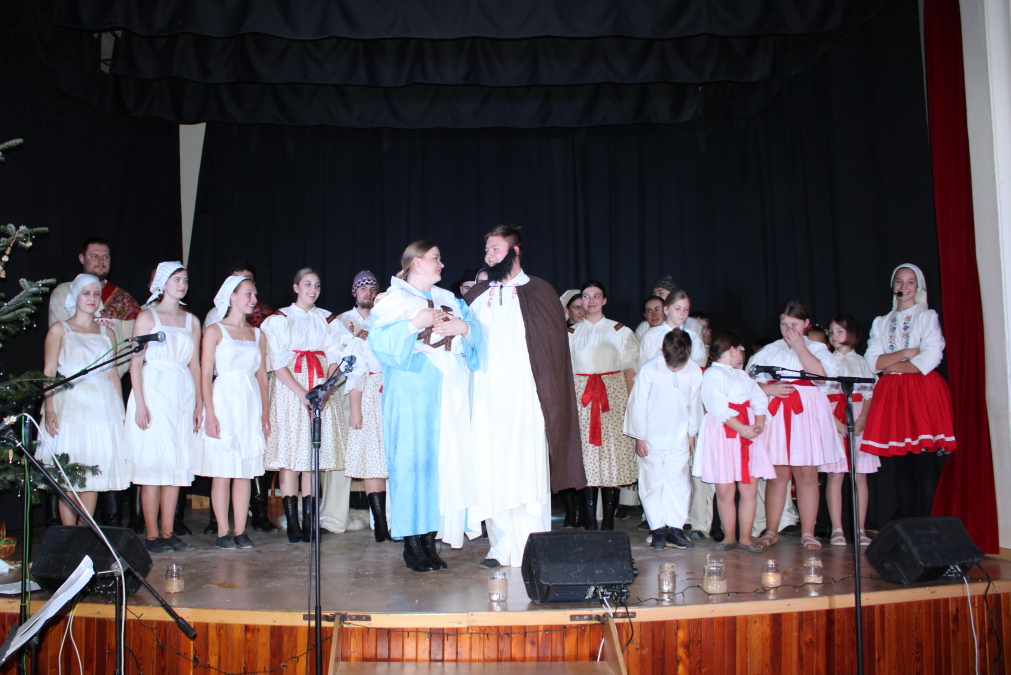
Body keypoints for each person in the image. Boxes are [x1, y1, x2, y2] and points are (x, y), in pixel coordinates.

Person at [465, 226, 585, 568]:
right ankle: (500, 547)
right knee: (492, 469)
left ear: (515, 251)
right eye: (486, 250)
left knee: (526, 471)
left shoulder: (540, 292)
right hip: (486, 400)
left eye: (496, 249)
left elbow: (552, 354)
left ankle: (533, 547)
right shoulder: (477, 296)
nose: (489, 256)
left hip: (527, 399)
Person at [369, 241, 481, 572]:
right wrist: (413, 324)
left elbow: (477, 339)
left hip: (447, 388)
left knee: (440, 465)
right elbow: (379, 344)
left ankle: (430, 540)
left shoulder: (450, 299)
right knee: (411, 463)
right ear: (417, 262)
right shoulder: (394, 299)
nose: (442, 264)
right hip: (411, 387)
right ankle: (412, 543)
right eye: (436, 258)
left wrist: (462, 328)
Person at [48, 237, 140, 529]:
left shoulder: (106, 333)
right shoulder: (60, 329)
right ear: (75, 296)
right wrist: (49, 409)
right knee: (70, 475)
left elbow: (112, 373)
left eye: (95, 294)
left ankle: (86, 533)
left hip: (102, 408)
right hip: (71, 407)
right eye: (85, 293)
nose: (91, 298)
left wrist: (120, 413)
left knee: (93, 475)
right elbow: (49, 373)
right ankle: (69, 535)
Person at [261, 268, 351, 543]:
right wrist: (302, 394)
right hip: (291, 390)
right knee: (291, 455)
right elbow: (277, 363)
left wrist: (326, 389)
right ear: (296, 287)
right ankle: (292, 522)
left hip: (319, 385)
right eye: (307, 284)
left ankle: (311, 520)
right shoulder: (281, 319)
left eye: (317, 285)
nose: (313, 290)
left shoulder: (328, 319)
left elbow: (335, 358)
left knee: (313, 458)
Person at [861, 264, 955, 520]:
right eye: (899, 281)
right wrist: (905, 353)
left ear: (918, 286)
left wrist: (892, 366)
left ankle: (928, 525)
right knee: (901, 463)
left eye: (910, 281)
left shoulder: (927, 317)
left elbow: (931, 356)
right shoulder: (881, 322)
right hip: (893, 394)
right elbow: (873, 361)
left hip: (922, 391)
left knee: (925, 461)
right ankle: (909, 525)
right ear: (893, 286)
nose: (904, 286)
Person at [749, 300, 844, 550]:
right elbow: (747, 381)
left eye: (794, 324)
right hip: (779, 412)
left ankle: (808, 532)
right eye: (784, 324)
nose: (789, 330)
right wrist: (769, 389)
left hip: (807, 414)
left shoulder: (818, 348)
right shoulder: (770, 350)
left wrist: (801, 347)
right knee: (778, 474)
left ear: (806, 324)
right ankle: (772, 530)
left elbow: (824, 378)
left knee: (807, 474)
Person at [123, 262, 202, 553]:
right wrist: (140, 403)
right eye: (176, 279)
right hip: (154, 392)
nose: (182, 285)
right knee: (153, 467)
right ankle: (152, 536)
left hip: (181, 394)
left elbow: (195, 364)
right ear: (162, 282)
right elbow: (135, 363)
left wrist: (199, 404)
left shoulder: (192, 320)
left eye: (185, 280)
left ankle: (168, 533)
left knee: (175, 466)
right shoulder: (147, 316)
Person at [199, 276, 270, 549]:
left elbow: (262, 377)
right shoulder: (215, 331)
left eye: (254, 294)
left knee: (244, 471)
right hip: (224, 400)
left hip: (249, 403)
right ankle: (222, 532)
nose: (254, 300)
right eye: (248, 294)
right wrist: (210, 414)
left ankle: (241, 530)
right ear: (232, 296)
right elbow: (206, 375)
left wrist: (265, 414)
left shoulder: (258, 334)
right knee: (223, 470)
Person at [695, 330, 774, 552]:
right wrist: (743, 429)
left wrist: (758, 424)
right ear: (731, 350)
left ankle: (746, 537)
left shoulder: (741, 375)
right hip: (724, 433)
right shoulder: (713, 374)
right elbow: (718, 407)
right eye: (741, 350)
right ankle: (729, 536)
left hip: (746, 432)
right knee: (725, 489)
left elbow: (758, 397)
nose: (742, 355)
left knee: (749, 488)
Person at [569, 280, 637, 530]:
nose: (591, 301)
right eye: (586, 296)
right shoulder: (571, 333)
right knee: (586, 458)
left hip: (612, 396)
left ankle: (608, 522)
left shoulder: (619, 330)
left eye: (596, 296)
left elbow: (629, 367)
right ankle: (589, 522)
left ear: (604, 300)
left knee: (612, 456)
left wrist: (631, 403)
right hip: (582, 398)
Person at [623, 330, 702, 550]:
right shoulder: (650, 369)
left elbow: (694, 403)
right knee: (652, 482)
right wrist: (639, 437)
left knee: (679, 483)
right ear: (662, 351)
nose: (675, 369)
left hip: (679, 436)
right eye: (671, 364)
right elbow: (638, 404)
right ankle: (657, 529)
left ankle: (675, 528)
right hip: (652, 436)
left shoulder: (694, 370)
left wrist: (692, 433)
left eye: (680, 365)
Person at [336, 270, 391, 542]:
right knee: (373, 461)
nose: (370, 295)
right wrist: (355, 410)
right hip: (371, 396)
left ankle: (395, 521)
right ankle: (380, 525)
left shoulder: (393, 330)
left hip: (394, 395)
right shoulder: (361, 337)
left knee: (391, 460)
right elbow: (356, 374)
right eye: (364, 289)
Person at [821, 314, 878, 546]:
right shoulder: (825, 361)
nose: (834, 336)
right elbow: (821, 395)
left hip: (857, 416)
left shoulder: (862, 362)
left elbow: (869, 394)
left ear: (851, 333)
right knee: (835, 475)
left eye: (840, 331)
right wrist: (836, 423)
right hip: (834, 417)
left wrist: (862, 419)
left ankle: (860, 528)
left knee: (859, 475)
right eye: (831, 331)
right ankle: (837, 528)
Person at [638, 290, 707, 370]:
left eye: (686, 309)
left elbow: (698, 368)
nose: (682, 313)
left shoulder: (694, 338)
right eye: (678, 308)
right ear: (666, 310)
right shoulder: (651, 336)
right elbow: (644, 367)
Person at [204, 263, 274, 328]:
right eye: (236, 280)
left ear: (253, 283)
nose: (242, 282)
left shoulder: (266, 313)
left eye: (247, 279)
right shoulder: (215, 314)